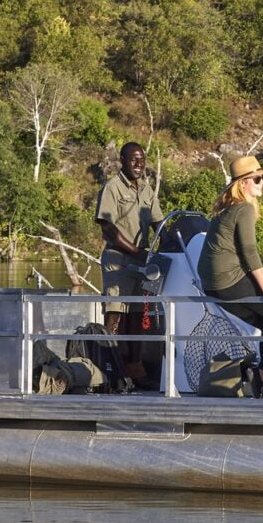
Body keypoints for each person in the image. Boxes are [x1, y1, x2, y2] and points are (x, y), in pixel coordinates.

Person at [199, 154, 263, 398]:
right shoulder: (243, 208)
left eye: (262, 178)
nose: (262, 183)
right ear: (243, 183)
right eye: (257, 179)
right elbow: (249, 251)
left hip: (213, 284)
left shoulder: (228, 208)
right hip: (227, 279)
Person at [95, 142, 161, 382]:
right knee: (115, 313)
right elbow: (107, 227)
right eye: (133, 159)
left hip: (143, 261)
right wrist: (135, 251)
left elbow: (158, 223)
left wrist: (175, 242)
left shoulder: (146, 188)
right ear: (122, 160)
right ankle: (107, 368)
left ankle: (134, 369)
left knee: (138, 316)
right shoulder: (112, 188)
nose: (138, 164)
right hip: (118, 259)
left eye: (142, 159)